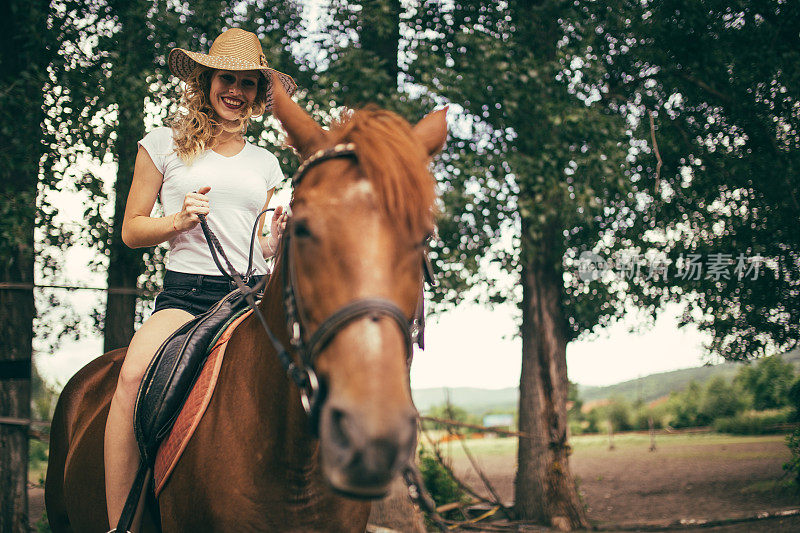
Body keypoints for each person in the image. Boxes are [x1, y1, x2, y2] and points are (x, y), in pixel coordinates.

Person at [103, 28, 296, 529]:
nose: (235, 91)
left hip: (252, 297)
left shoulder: (266, 161)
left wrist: (279, 236)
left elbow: (264, 238)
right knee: (130, 378)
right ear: (208, 80)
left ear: (258, 93)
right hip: (187, 298)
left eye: (248, 83)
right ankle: (120, 523)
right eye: (226, 79)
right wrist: (178, 221)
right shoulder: (162, 143)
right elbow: (130, 230)